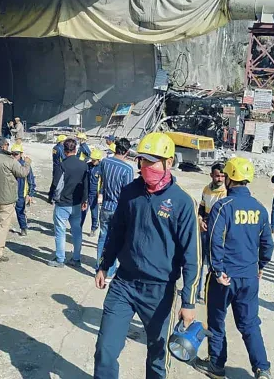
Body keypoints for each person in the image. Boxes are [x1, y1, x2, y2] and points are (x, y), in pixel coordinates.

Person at [94, 132, 200, 379]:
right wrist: (104, 265)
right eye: (143, 160)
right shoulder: (130, 192)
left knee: (157, 356)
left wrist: (189, 301)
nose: (146, 166)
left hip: (159, 291)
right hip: (124, 285)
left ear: (169, 162)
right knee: (105, 351)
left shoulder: (183, 203)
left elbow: (192, 256)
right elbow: (116, 232)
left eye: (153, 161)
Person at [192, 157, 273, 379]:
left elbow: (213, 240)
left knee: (216, 321)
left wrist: (217, 270)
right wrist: (261, 265)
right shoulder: (259, 208)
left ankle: (216, 366)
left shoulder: (223, 206)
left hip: (224, 276)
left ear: (229, 178)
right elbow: (267, 243)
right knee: (249, 324)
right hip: (249, 276)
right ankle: (262, 369)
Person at [0, 136, 32, 263]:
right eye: (7, 145)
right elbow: (22, 173)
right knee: (3, 226)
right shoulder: (9, 160)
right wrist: (28, 163)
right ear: (3, 146)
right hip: (6, 199)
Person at [96, 137, 136, 283]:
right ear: (126, 152)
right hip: (118, 209)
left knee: (102, 237)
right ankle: (110, 270)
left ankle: (99, 267)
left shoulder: (105, 162)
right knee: (116, 239)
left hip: (105, 205)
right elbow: (128, 192)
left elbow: (101, 180)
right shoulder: (127, 169)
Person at [49, 138, 90, 268]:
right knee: (77, 231)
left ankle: (60, 259)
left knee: (60, 231)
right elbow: (86, 185)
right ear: (76, 149)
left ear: (64, 150)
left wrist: (51, 197)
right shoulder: (84, 165)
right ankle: (76, 258)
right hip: (77, 203)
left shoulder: (62, 165)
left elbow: (55, 184)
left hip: (63, 203)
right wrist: (85, 200)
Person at [197, 162, 227, 300]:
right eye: (217, 176)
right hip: (204, 228)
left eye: (222, 176)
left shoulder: (225, 192)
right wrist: (200, 220)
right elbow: (202, 208)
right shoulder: (206, 189)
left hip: (217, 231)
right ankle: (196, 292)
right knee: (198, 262)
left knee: (212, 264)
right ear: (211, 175)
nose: (220, 179)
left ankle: (209, 293)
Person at [11, 142, 36, 237]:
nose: (14, 156)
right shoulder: (9, 163)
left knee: (20, 211)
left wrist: (30, 194)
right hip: (10, 192)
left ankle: (23, 228)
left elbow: (31, 180)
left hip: (21, 193)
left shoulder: (25, 165)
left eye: (16, 154)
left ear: (21, 154)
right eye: (12, 154)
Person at [82, 148, 104, 236]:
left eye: (94, 160)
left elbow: (103, 182)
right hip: (87, 193)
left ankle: (93, 228)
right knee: (83, 211)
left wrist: (100, 194)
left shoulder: (102, 168)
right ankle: (78, 227)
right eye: (92, 160)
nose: (93, 161)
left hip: (95, 194)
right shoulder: (88, 165)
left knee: (94, 213)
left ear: (99, 160)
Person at [48, 134, 67, 202]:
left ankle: (50, 196)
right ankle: (53, 198)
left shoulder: (55, 147)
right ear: (62, 141)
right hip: (60, 167)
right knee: (57, 183)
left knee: (54, 181)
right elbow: (63, 158)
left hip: (55, 166)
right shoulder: (61, 148)